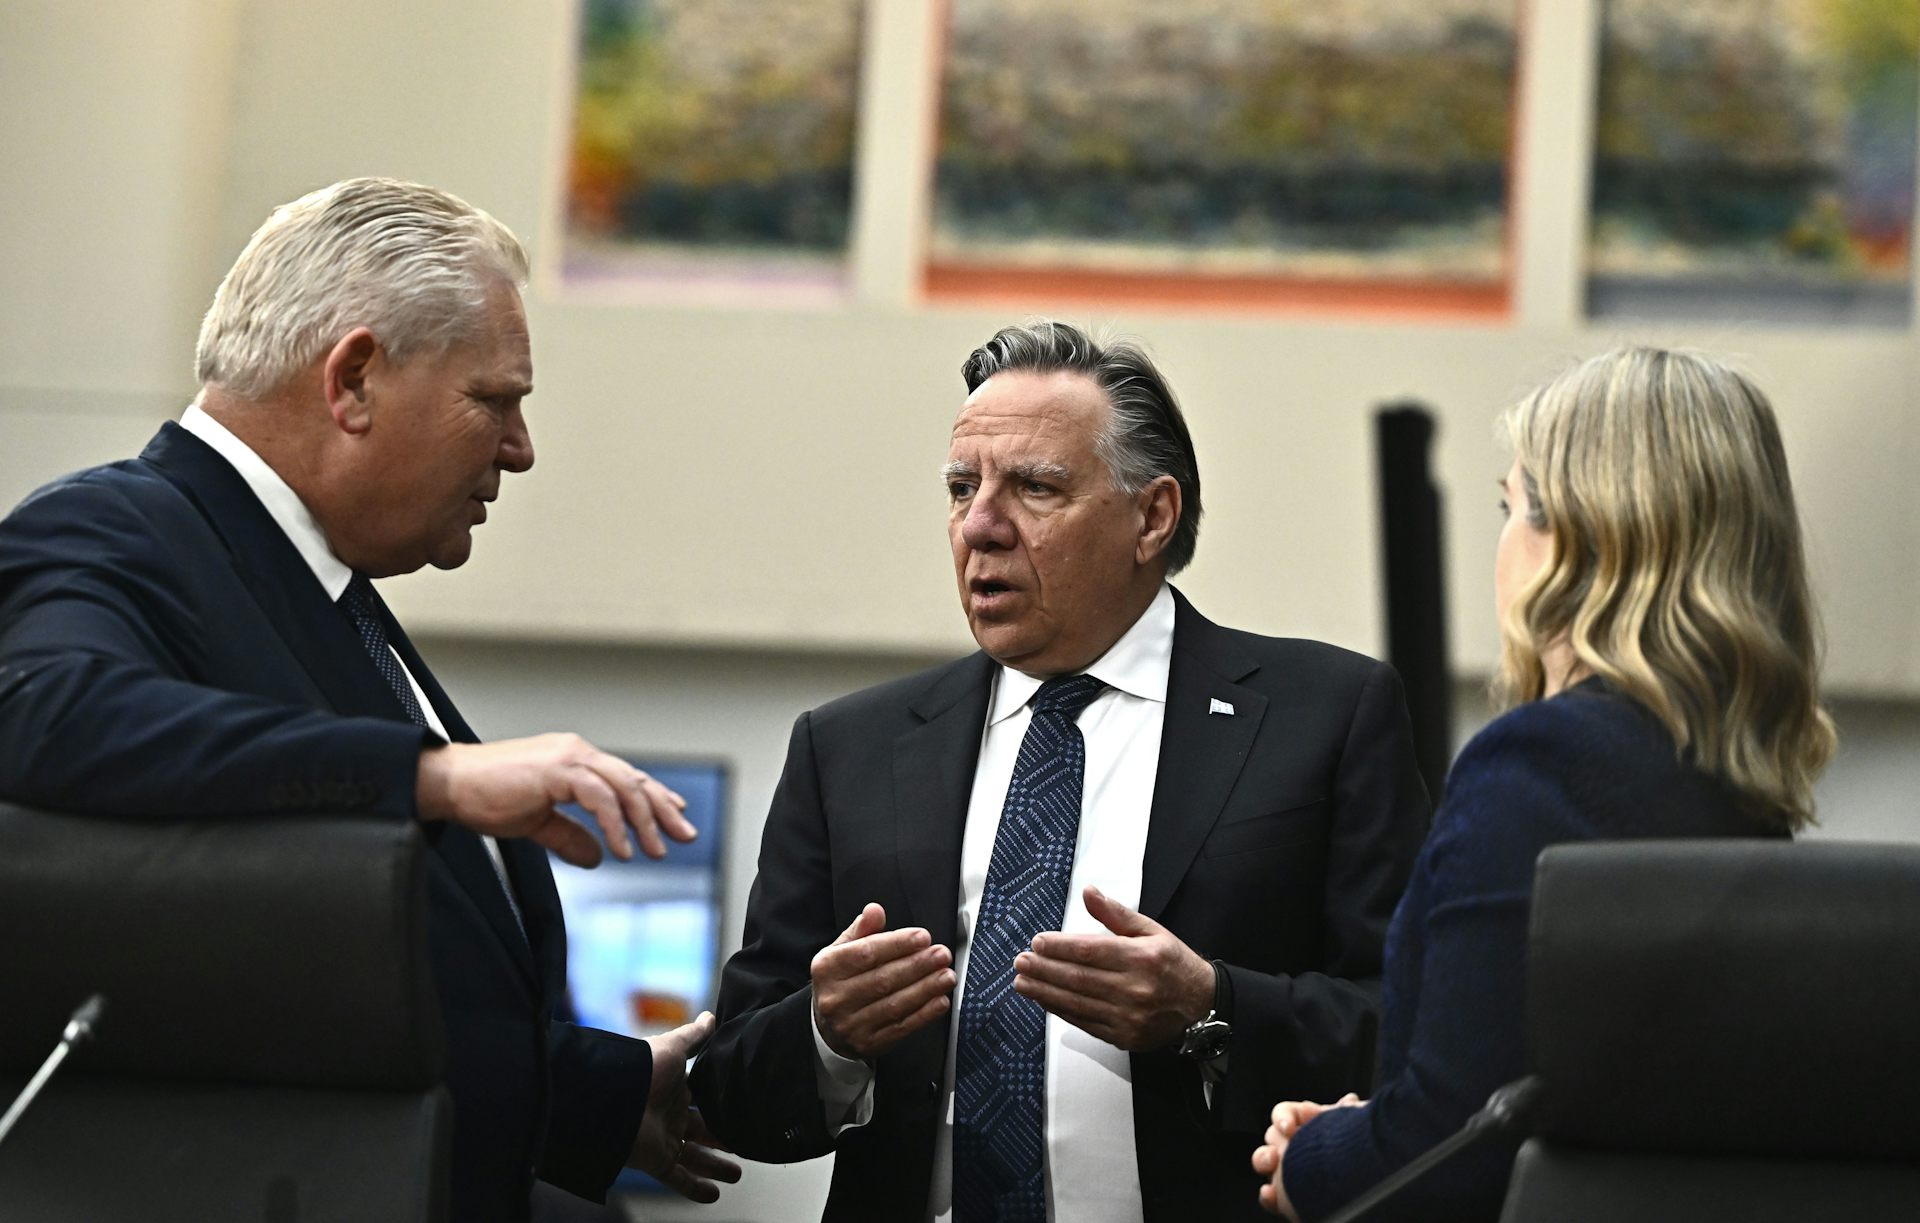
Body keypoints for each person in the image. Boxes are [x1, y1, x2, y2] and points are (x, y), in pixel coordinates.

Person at [0, 178, 740, 1222]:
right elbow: (45, 713)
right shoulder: (117, 529)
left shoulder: (328, 589)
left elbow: (310, 985)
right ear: (353, 379)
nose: (520, 446)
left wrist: (596, 1094)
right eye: (493, 399)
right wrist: (431, 775)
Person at [690, 320, 1430, 1222]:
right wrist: (826, 1032)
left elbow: (1415, 1029)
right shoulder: (849, 748)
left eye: (1034, 488)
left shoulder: (1325, 716)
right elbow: (730, 1092)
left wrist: (1212, 1008)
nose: (981, 526)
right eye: (962, 488)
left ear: (1152, 516)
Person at [1252, 346, 1837, 1221]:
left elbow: (1456, 1156)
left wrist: (1313, 1159)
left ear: (1580, 540)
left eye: (1510, 504)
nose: (1502, 541)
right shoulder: (1733, 780)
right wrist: (1370, 1130)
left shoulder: (1539, 767)